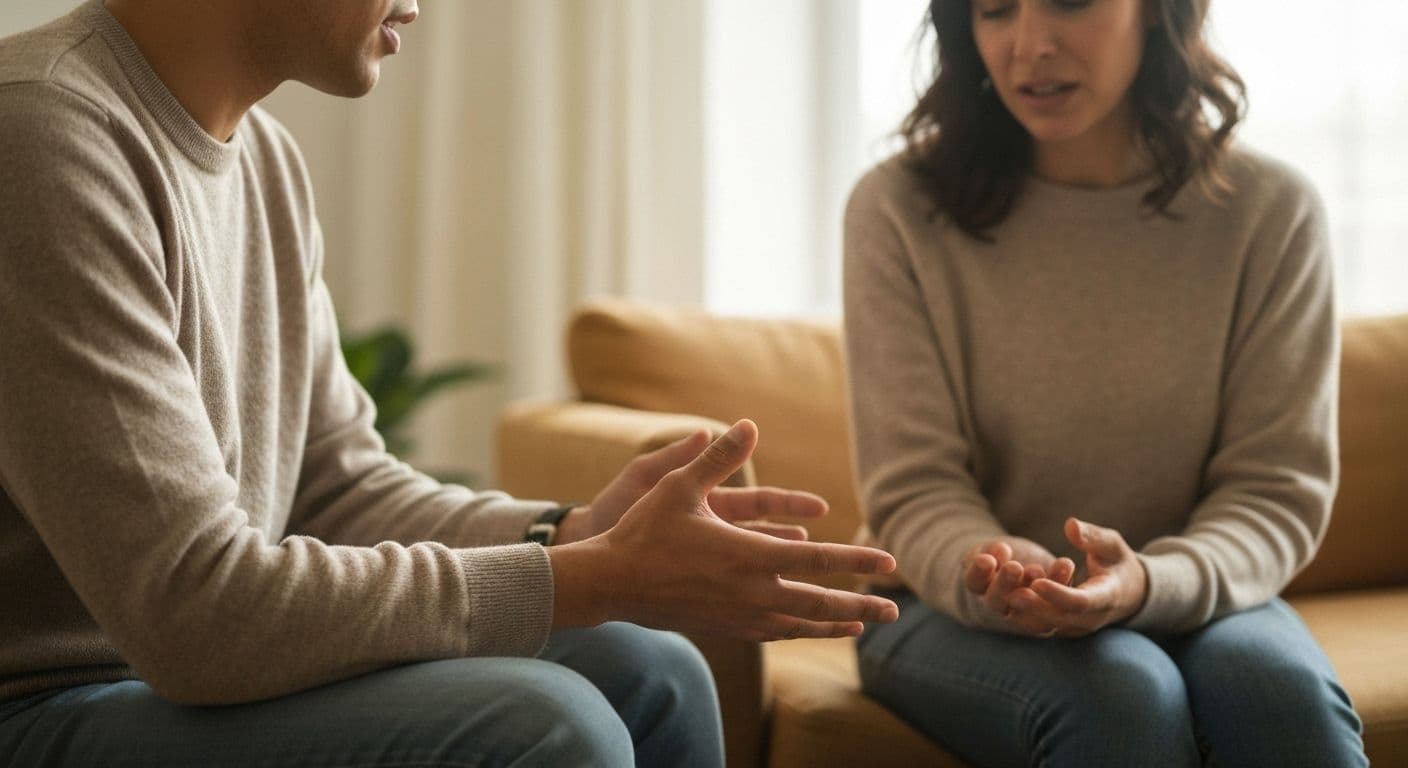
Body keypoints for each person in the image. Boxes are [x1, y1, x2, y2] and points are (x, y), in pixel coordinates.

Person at [0, 2, 901, 766]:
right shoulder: (41, 134)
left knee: (652, 669)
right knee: (552, 729)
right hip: (49, 701)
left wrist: (574, 534)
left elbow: (336, 488)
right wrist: (579, 579)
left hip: (162, 678)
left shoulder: (265, 161)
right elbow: (193, 614)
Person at [843, 0, 1368, 766]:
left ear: (1157, 12)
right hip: (943, 605)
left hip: (1190, 588)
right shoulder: (897, 208)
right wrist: (1000, 568)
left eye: (1069, 1)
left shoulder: (1271, 214)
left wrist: (1148, 584)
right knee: (1122, 693)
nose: (1030, 46)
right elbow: (914, 488)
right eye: (994, 11)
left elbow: (1274, 492)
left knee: (1276, 695)